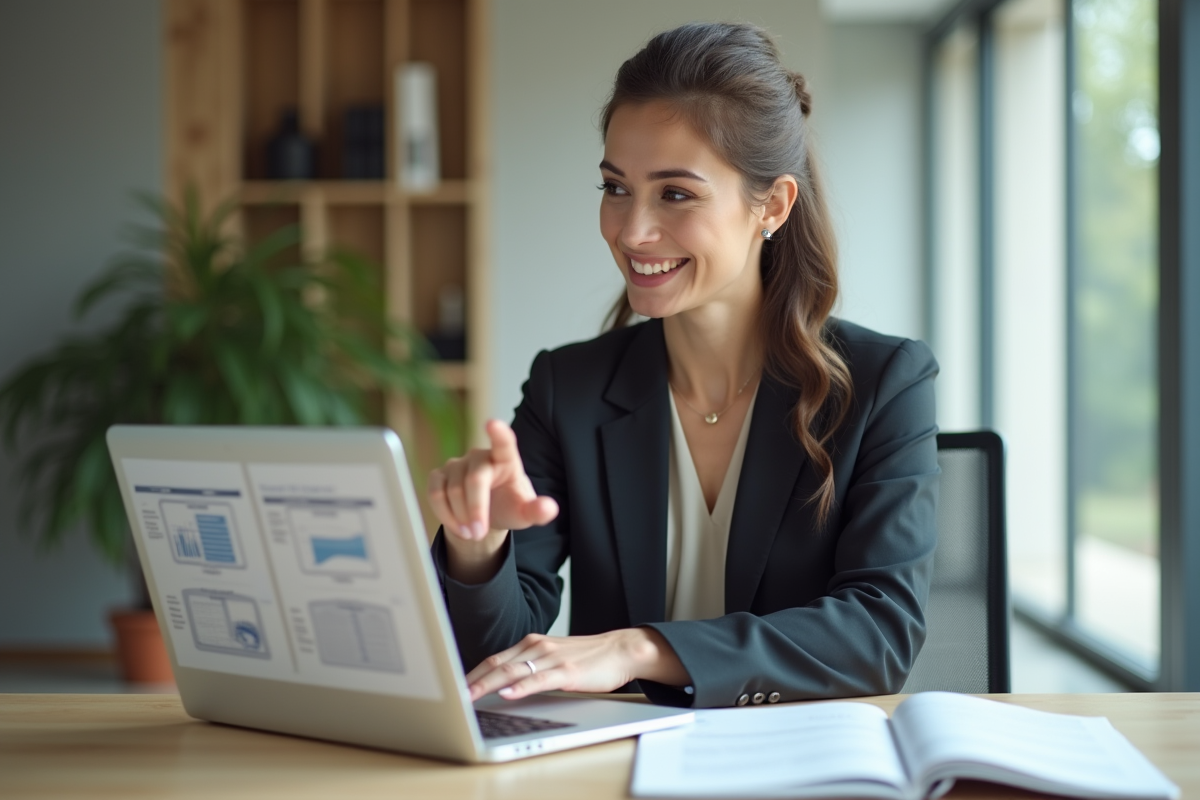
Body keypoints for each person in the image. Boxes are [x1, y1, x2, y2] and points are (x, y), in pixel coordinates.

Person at [428, 21, 939, 709]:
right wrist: (479, 546)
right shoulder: (568, 389)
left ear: (773, 205)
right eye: (615, 188)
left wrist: (638, 647)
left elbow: (879, 634)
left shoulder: (884, 384)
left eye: (675, 194)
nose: (632, 231)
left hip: (799, 765)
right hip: (614, 767)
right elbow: (494, 662)